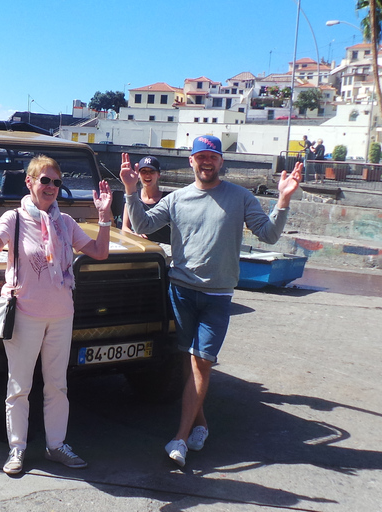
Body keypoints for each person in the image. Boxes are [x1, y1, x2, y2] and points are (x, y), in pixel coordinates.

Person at [120, 135, 302, 468]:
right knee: (188, 361)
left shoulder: (240, 197)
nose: (206, 162)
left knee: (202, 361)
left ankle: (180, 438)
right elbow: (144, 224)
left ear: (221, 162)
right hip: (181, 291)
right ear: (191, 161)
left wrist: (284, 200)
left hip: (218, 296)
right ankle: (201, 424)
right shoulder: (177, 200)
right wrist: (131, 191)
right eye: (200, 156)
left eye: (212, 157)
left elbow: (269, 235)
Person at [0, 155, 113, 475]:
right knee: (19, 386)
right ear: (30, 182)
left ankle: (55, 445)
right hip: (25, 314)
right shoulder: (14, 219)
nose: (51, 187)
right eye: (45, 180)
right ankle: (17, 448)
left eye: (57, 182)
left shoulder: (65, 223)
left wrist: (104, 216)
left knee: (57, 385)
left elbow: (99, 251)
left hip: (62, 315)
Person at [121, 156, 171, 245]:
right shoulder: (132, 198)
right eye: (143, 171)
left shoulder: (168, 199)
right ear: (138, 174)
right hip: (140, 245)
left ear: (158, 174)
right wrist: (134, 234)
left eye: (152, 171)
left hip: (164, 248)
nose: (147, 175)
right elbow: (125, 227)